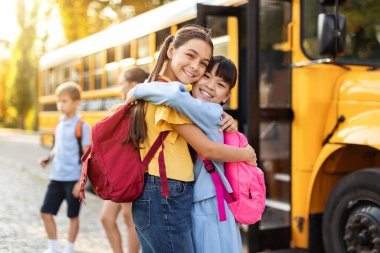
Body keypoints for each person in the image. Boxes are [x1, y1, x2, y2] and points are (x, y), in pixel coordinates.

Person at [127, 24, 256, 253]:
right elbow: (206, 148)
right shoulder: (170, 95)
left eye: (203, 63)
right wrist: (246, 154)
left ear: (227, 95)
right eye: (190, 55)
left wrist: (224, 119)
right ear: (170, 51)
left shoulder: (170, 93)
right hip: (166, 191)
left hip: (164, 191)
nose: (195, 67)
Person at [99, 67, 148, 253]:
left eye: (122, 83)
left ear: (134, 85)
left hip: (131, 172)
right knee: (106, 218)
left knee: (129, 217)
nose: (119, 88)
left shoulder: (140, 110)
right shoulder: (124, 108)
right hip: (118, 174)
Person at [39, 82, 91, 253]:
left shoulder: (82, 126)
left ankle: (69, 248)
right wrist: (48, 159)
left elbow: (87, 157)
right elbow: (57, 147)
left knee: (72, 216)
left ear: (76, 102)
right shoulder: (59, 123)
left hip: (72, 179)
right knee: (46, 212)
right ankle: (54, 248)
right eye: (58, 101)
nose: (60, 105)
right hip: (56, 177)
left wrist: (80, 182)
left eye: (65, 101)